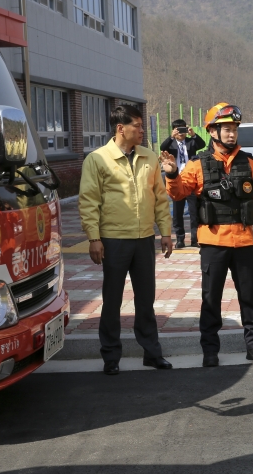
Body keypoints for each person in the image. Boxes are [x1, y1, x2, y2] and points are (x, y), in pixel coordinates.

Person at [161, 103, 253, 367]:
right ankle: (210, 350)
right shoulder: (198, 164)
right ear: (212, 132)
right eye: (226, 129)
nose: (232, 134)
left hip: (244, 242)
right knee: (211, 298)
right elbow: (178, 193)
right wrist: (173, 173)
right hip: (212, 242)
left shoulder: (250, 161)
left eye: (234, 129)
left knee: (249, 297)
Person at [79, 104, 174, 375]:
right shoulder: (97, 160)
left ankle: (152, 353)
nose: (142, 130)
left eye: (143, 126)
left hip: (144, 240)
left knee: (146, 299)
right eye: (138, 126)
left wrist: (165, 232)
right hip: (113, 240)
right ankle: (111, 355)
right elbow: (89, 201)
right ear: (121, 128)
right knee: (112, 300)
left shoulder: (149, 157)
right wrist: (94, 238)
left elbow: (159, 197)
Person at [159, 119, 206, 248]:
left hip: (191, 180)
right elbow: (162, 147)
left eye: (183, 129)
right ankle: (180, 239)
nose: (181, 133)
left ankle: (195, 239)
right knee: (178, 213)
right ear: (174, 130)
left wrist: (193, 135)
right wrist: (171, 137)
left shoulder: (191, 142)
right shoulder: (171, 144)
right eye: (178, 130)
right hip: (176, 180)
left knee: (194, 212)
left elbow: (202, 144)